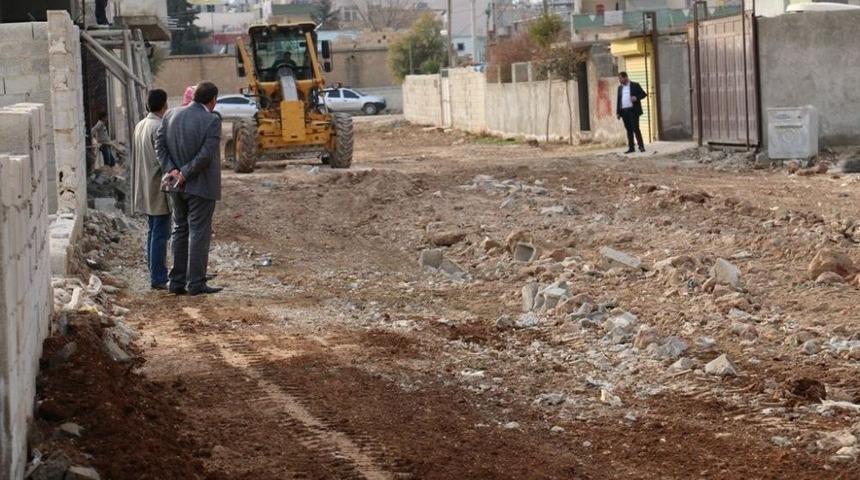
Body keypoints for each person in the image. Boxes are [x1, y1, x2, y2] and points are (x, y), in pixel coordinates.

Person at [155, 81, 223, 296]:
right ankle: (196, 283)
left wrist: (172, 170)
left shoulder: (170, 115)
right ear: (213, 100)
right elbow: (205, 155)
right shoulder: (212, 120)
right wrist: (184, 173)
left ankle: (176, 282)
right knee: (199, 233)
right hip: (200, 186)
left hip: (176, 187)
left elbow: (160, 146)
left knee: (179, 229)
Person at [133, 89, 171, 291]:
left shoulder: (141, 125)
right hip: (157, 187)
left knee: (153, 231)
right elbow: (163, 160)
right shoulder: (158, 127)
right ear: (164, 105)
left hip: (146, 186)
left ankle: (154, 272)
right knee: (160, 234)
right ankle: (158, 277)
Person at [616, 71, 648, 153]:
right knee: (628, 130)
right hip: (624, 111)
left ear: (625, 77)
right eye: (619, 78)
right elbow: (618, 100)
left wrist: (636, 98)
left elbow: (644, 94)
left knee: (635, 128)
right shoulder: (620, 88)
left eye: (620, 78)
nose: (619, 80)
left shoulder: (635, 85)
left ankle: (641, 146)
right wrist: (618, 112)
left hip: (633, 111)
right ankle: (631, 148)